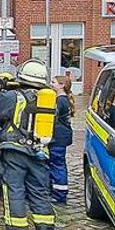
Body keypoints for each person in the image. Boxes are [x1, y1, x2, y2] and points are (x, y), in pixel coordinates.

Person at [0, 59, 56, 230]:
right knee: (40, 193)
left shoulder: (13, 96)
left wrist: (1, 91)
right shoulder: (48, 99)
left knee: (14, 191)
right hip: (39, 152)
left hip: (14, 151)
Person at [48, 76, 75, 204]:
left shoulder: (60, 101)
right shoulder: (64, 99)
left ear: (62, 85)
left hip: (58, 137)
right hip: (62, 136)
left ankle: (59, 194)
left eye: (53, 82)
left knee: (57, 164)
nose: (51, 84)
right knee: (57, 163)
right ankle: (56, 190)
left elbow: (53, 118)